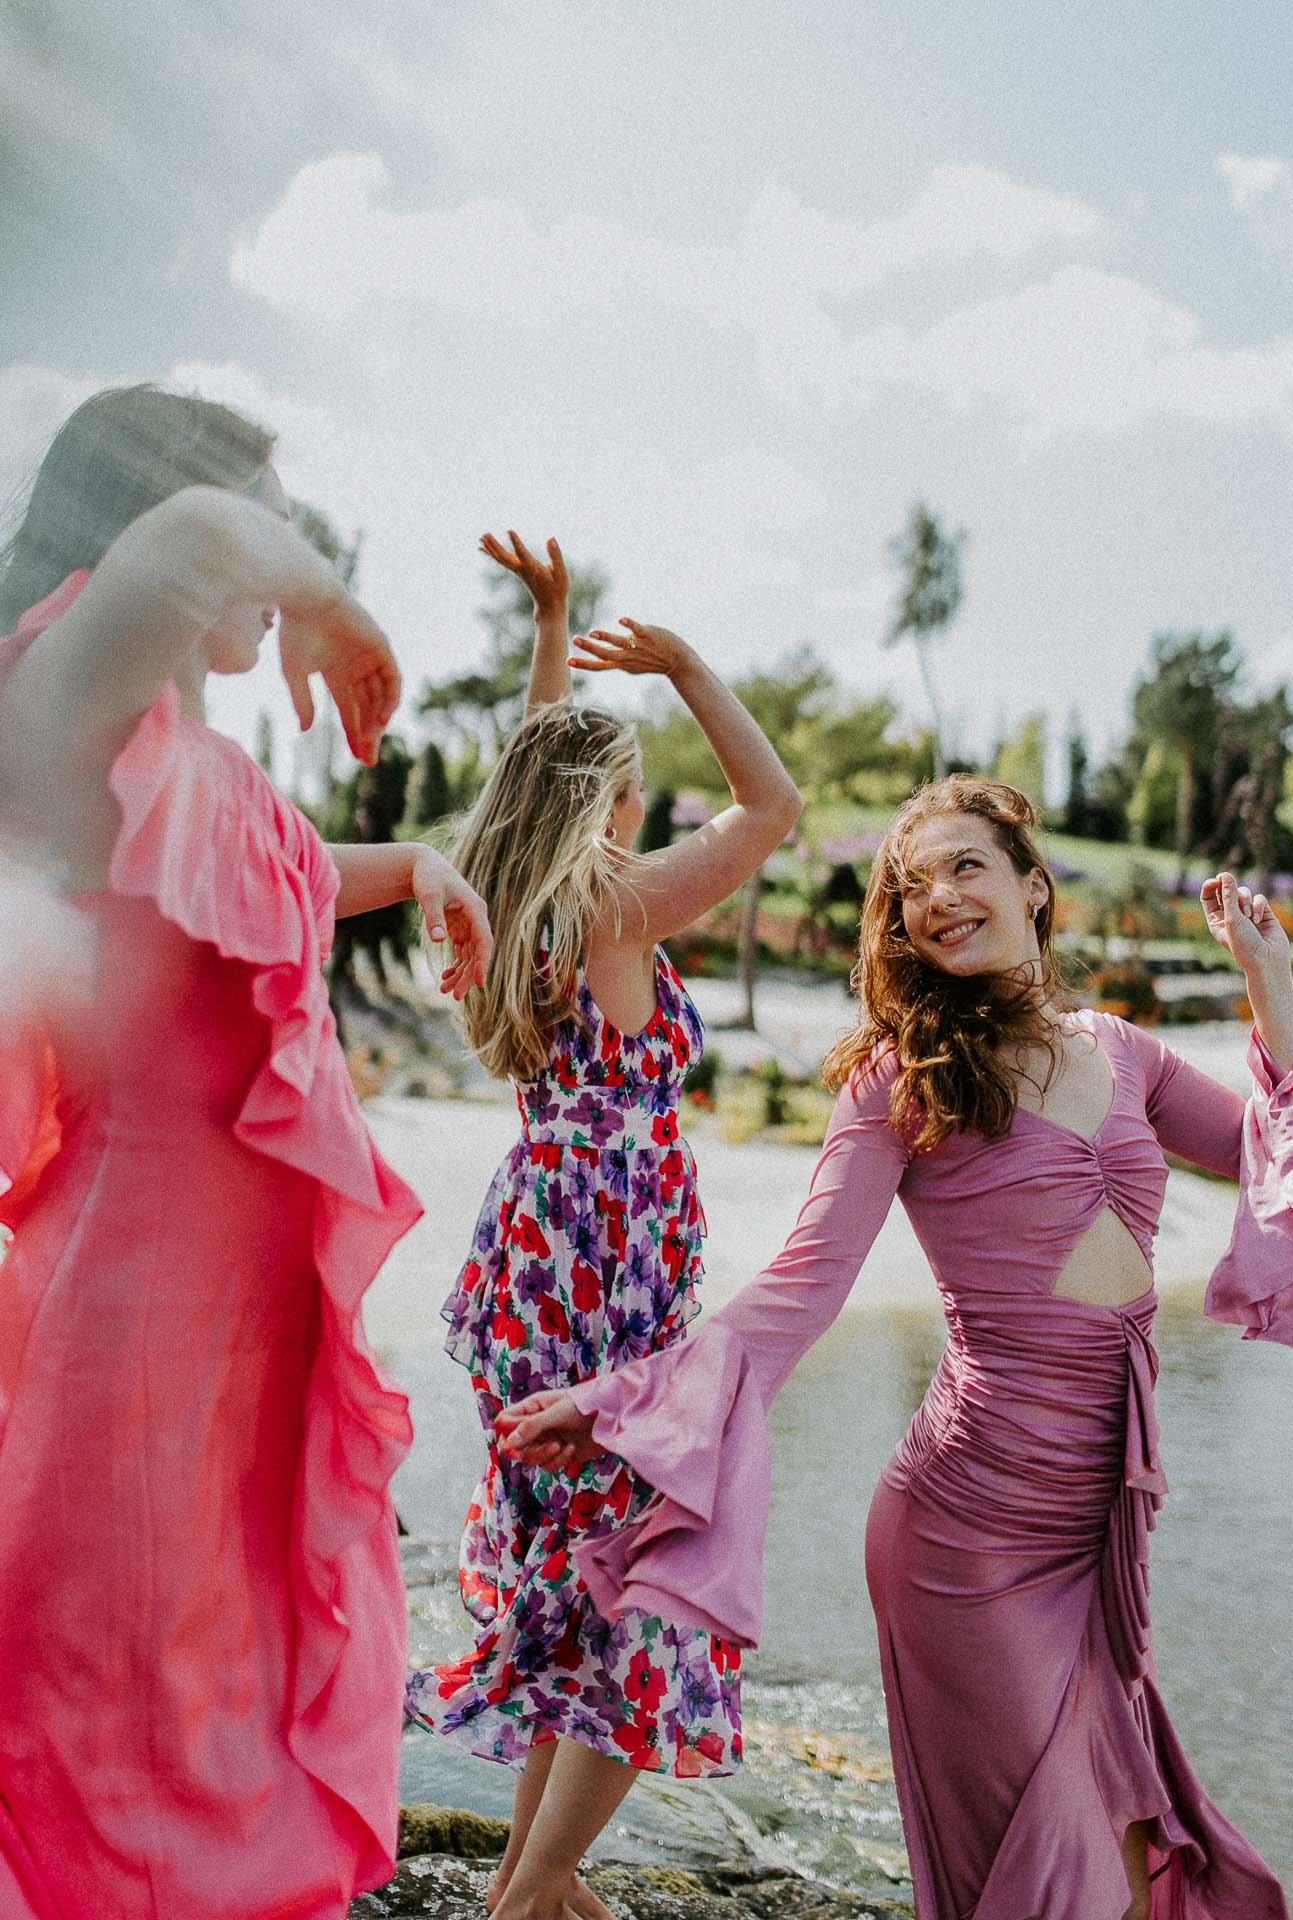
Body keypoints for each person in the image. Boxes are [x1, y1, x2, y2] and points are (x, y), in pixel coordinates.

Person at [498, 776, 1293, 1920]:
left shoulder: (1122, 1052)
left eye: (965, 866)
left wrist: (1270, 986)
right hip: (963, 1535)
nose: (936, 898)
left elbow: (1286, 1167)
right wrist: (632, 1398)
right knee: (1039, 1878)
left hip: (1092, 1532)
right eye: (910, 885)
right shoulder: (896, 1079)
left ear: (1034, 886)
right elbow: (805, 1281)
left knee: (1123, 1867)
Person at [0, 384, 492, 1920]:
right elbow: (200, 535)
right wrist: (327, 596)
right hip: (138, 1313)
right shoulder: (62, 684)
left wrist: (412, 863)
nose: (275, 552)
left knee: (222, 1699)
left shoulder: (167, 741)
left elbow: (254, 871)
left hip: (228, 1329)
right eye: (268, 519)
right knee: (131, 1736)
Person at [403, 530, 801, 1920]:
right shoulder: (619, 904)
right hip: (609, 1271)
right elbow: (772, 809)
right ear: (606, 810)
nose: (642, 814)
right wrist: (686, 666)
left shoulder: (512, 906)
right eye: (629, 795)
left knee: (581, 1566)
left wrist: (556, 628)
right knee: (638, 1564)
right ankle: (539, 1887)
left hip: (535, 1258)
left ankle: (532, 1880)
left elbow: (534, 766)